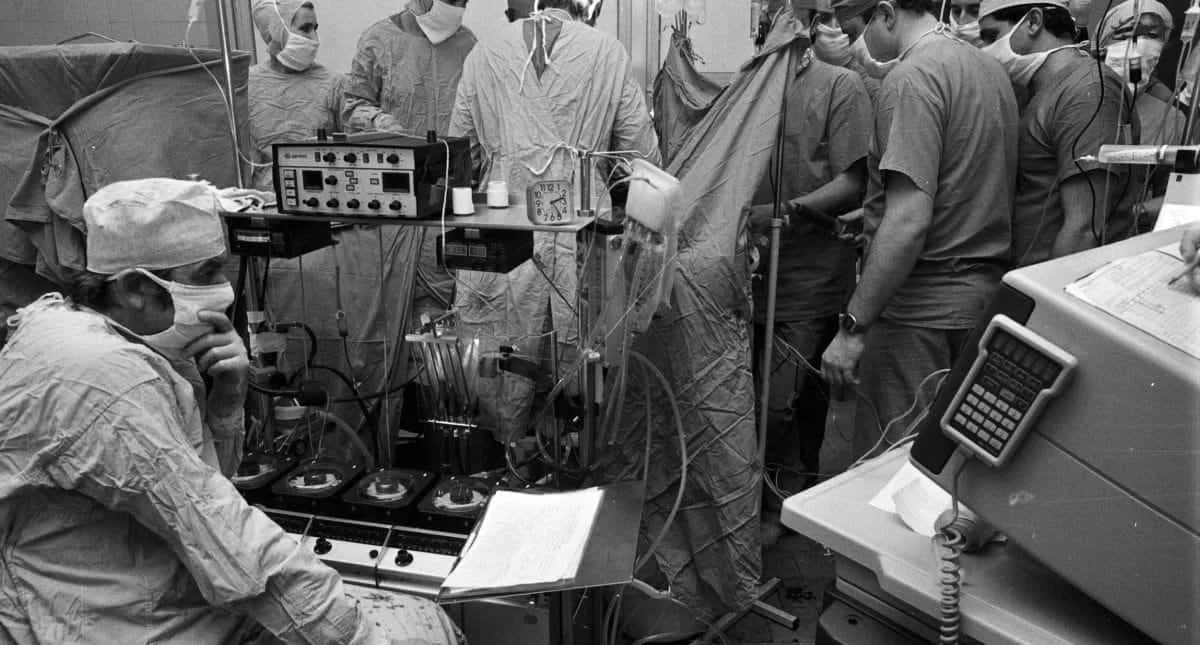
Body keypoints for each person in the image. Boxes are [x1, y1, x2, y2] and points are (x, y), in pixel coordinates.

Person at [0, 178, 460, 645]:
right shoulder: (103, 376)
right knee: (422, 627)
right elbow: (226, 538)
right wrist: (360, 636)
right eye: (206, 274)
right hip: (122, 623)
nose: (223, 291)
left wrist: (226, 400)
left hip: (147, 590)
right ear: (138, 288)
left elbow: (199, 485)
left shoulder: (89, 332)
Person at [447, 0, 658, 433]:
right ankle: (570, 488)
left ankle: (504, 479)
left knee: (501, 375)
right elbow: (644, 159)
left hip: (503, 229)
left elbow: (458, 159)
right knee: (583, 390)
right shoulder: (605, 52)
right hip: (581, 232)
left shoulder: (484, 53)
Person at [821, 0, 1020, 458]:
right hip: (979, 303)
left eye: (858, 25)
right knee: (949, 469)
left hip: (918, 314)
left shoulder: (910, 79)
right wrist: (874, 217)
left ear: (887, 13)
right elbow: (963, 179)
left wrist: (853, 327)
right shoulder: (988, 70)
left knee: (895, 472)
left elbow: (909, 221)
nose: (857, 40)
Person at [744, 0, 871, 522]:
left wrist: (786, 212)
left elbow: (854, 181)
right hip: (751, 277)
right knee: (752, 403)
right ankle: (757, 501)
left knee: (786, 405)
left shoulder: (841, 87)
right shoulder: (749, 91)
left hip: (808, 277)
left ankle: (786, 508)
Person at [980, 0, 1141, 266]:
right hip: (1024, 272)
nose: (984, 49)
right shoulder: (1031, 90)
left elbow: (1083, 229)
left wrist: (1044, 301)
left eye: (991, 36)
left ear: (1033, 22)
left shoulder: (1087, 93)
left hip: (1052, 280)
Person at [343, 0, 476, 320]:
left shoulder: (469, 45)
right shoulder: (378, 41)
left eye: (464, 1)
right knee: (395, 316)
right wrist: (377, 122)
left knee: (450, 315)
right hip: (393, 206)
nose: (457, 7)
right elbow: (352, 107)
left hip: (451, 205)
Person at [1098, 0, 1184, 228]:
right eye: (1127, 32)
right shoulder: (1080, 97)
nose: (1139, 43)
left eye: (1152, 35)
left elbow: (1177, 193)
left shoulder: (1170, 118)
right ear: (1104, 41)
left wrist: (1134, 213)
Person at [247, 0, 346, 193]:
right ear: (276, 30)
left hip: (327, 204)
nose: (314, 38)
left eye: (315, 28)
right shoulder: (248, 84)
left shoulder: (334, 84)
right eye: (305, 28)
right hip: (268, 207)